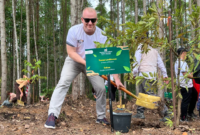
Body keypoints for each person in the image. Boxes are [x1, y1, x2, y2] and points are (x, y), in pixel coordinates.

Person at [44, 7, 124, 129]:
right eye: (87, 20)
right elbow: (71, 52)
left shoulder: (102, 36)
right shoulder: (74, 31)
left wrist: (117, 80)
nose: (90, 23)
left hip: (93, 63)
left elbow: (111, 60)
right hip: (74, 60)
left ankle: (101, 116)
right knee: (63, 82)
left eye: (92, 20)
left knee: (101, 88)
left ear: (96, 20)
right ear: (82, 19)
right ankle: (52, 114)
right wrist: (86, 63)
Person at [132, 32, 169, 119]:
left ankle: (166, 112)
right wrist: (165, 74)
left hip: (144, 75)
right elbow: (160, 63)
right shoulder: (154, 49)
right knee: (141, 94)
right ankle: (140, 112)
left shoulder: (140, 47)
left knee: (151, 95)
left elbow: (136, 61)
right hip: (152, 75)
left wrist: (134, 73)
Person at [174, 48, 197, 121]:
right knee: (185, 101)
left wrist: (193, 74)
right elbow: (185, 74)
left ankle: (190, 112)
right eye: (185, 53)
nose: (186, 54)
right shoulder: (180, 62)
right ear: (183, 53)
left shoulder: (183, 62)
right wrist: (196, 77)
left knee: (194, 94)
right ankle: (183, 118)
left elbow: (188, 73)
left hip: (188, 84)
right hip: (184, 85)